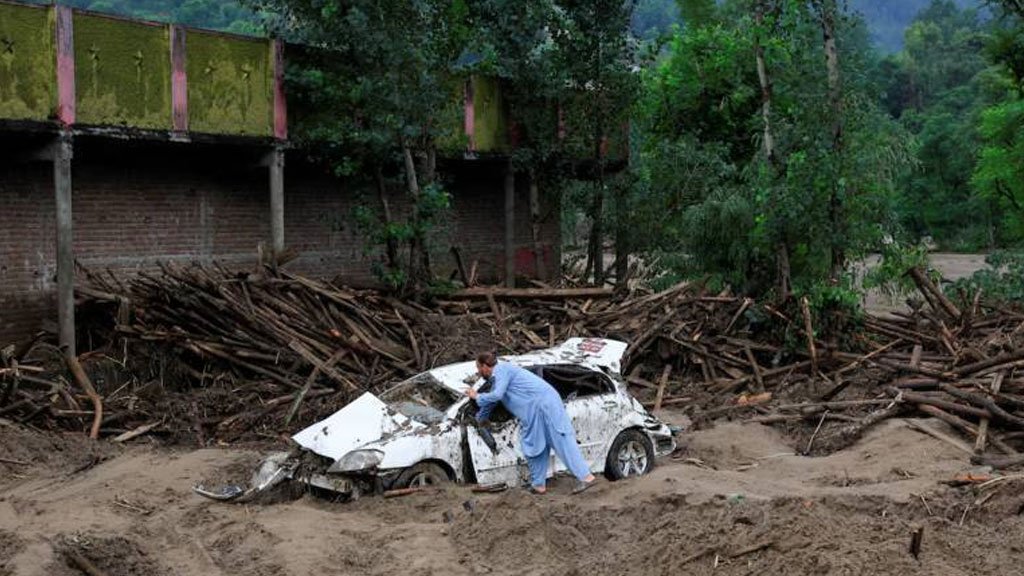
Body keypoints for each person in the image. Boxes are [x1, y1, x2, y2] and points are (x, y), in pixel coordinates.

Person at [465, 351, 596, 495]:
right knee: (534, 446)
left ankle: (586, 477)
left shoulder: (502, 370)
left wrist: (476, 395)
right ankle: (538, 485)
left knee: (561, 440)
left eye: (478, 368)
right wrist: (480, 419)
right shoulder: (496, 380)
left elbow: (497, 395)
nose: (478, 372)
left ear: (485, 366)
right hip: (533, 414)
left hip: (545, 405)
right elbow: (491, 401)